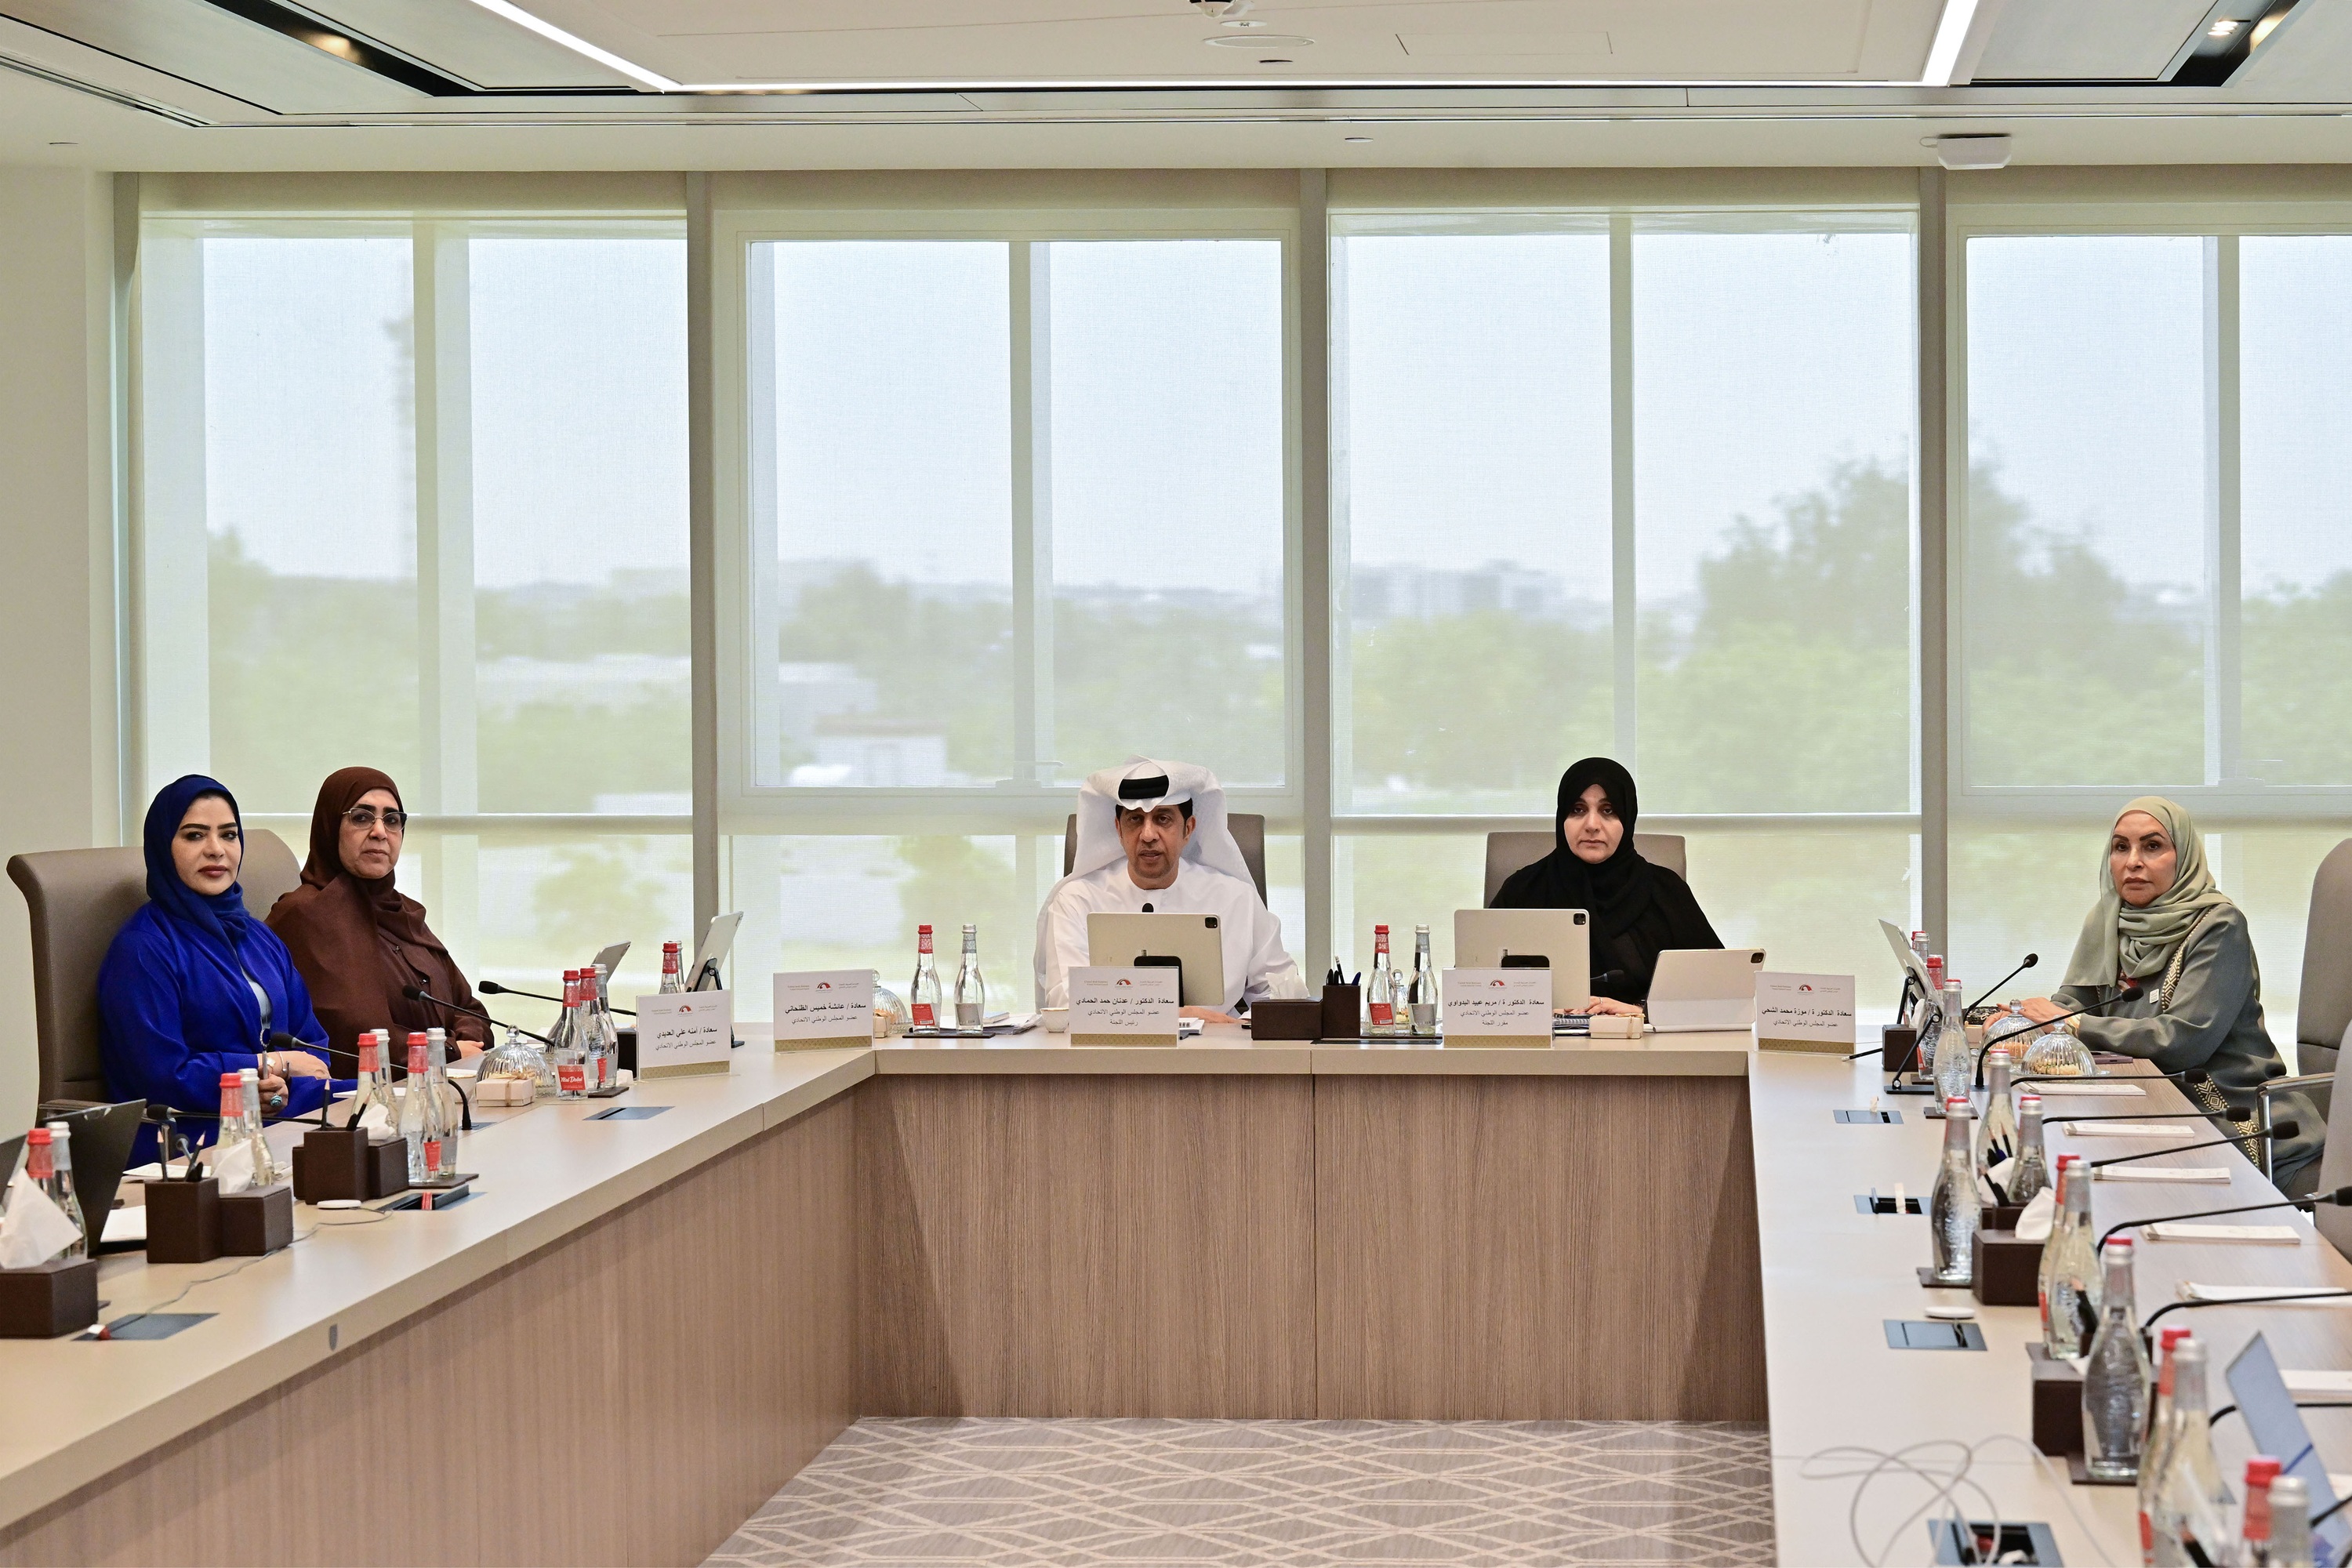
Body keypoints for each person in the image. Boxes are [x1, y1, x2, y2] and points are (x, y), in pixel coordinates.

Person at [2009, 797, 2319, 1194]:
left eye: (2152, 846)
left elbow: (2182, 1042)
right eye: (2121, 847)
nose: (2133, 862)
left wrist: (2069, 1023)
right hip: (2142, 1103)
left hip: (2224, 1111)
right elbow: (2074, 1002)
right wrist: (2020, 1021)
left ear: (2183, 856)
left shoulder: (2219, 925)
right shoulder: (2108, 920)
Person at [97, 775, 338, 1164]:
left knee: (379, 1107)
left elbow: (312, 1048)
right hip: (190, 1134)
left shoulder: (259, 936)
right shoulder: (143, 948)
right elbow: (160, 1076)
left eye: (228, 835)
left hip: (276, 1114)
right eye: (195, 836)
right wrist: (264, 1067)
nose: (216, 850)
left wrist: (279, 1086)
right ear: (163, 846)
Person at [1035, 757, 1307, 1025]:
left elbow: (1285, 995)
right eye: (1135, 820)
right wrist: (1179, 1016)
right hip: (1112, 1048)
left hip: (1217, 1047)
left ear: (1188, 829)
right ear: (1118, 829)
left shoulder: (1237, 899)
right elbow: (1066, 1001)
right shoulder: (1077, 900)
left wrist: (1239, 1027)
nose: (1148, 835)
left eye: (1163, 819)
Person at [267, 766, 488, 1064]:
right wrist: (446, 1051)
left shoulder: (404, 912)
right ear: (330, 827)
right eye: (361, 817)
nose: (380, 833)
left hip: (447, 1081)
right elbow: (349, 1036)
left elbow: (469, 1009)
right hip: (365, 1090)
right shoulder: (304, 916)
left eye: (392, 820)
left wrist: (467, 1041)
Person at [1489, 757, 1722, 1013]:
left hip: (1642, 1036)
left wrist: (1640, 1013)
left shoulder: (1666, 891)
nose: (1592, 825)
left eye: (1608, 810)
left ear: (1628, 818)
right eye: (1577, 810)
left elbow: (1717, 993)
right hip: (1544, 1037)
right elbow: (1476, 988)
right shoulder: (1523, 890)